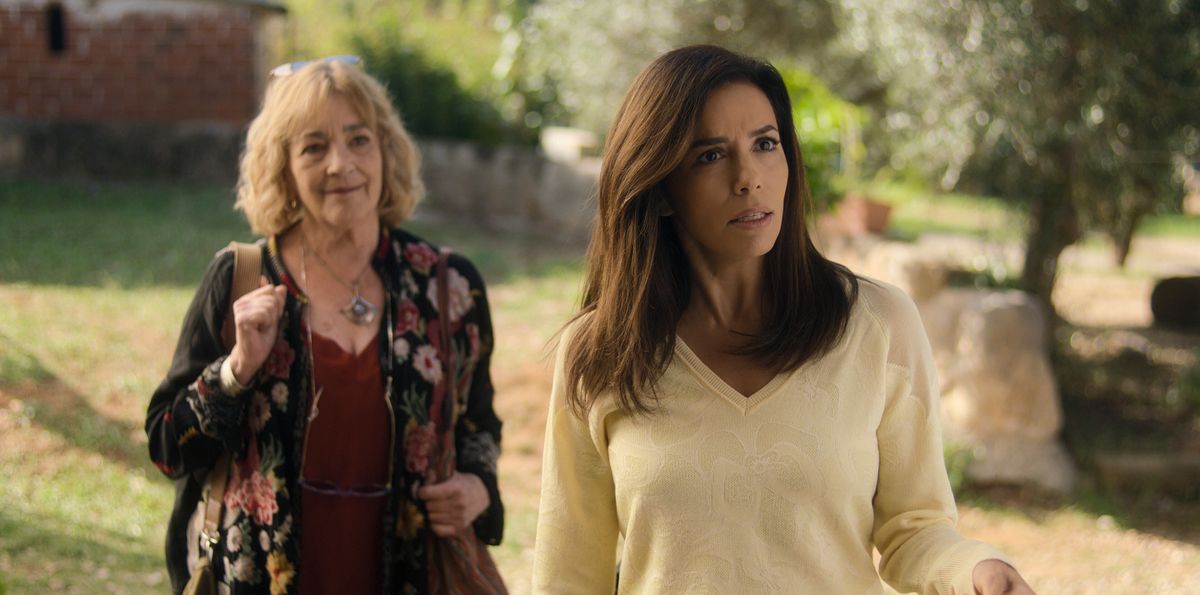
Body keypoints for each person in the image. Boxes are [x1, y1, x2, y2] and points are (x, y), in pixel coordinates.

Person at [532, 45, 1035, 594]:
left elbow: (914, 530)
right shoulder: (602, 351)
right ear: (660, 191)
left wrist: (977, 569)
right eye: (710, 155)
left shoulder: (878, 326)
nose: (749, 177)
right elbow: (568, 573)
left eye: (765, 144)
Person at [146, 56, 504, 594]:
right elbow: (167, 448)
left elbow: (478, 427)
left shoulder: (448, 288)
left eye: (359, 140)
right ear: (283, 167)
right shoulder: (241, 279)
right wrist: (236, 370)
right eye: (314, 147)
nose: (341, 164)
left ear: (385, 150)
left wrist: (479, 488)